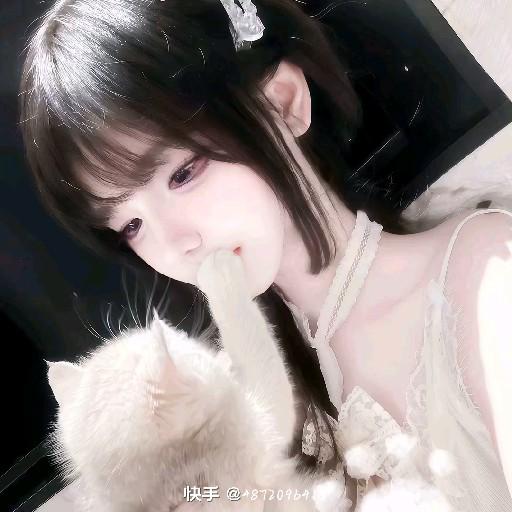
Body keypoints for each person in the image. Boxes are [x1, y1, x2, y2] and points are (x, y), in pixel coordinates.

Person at [18, 0, 512, 509]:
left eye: (183, 173)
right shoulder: (240, 403)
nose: (175, 244)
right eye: (131, 225)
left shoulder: (484, 279)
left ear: (283, 102)